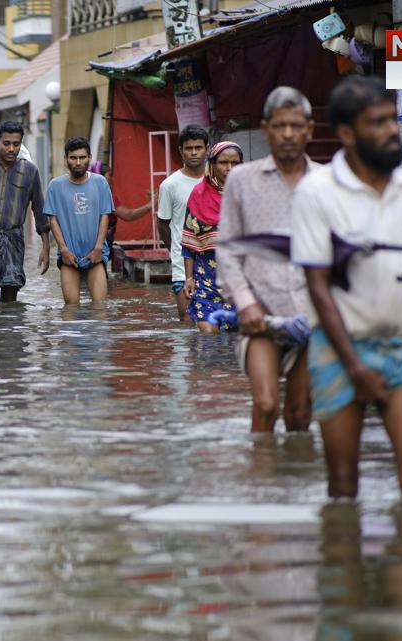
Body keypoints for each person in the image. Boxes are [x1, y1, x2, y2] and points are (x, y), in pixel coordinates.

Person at [291, 76, 402, 499]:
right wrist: (355, 366)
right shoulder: (315, 194)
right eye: (377, 122)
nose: (392, 130)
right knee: (343, 485)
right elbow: (317, 287)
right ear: (346, 134)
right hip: (338, 352)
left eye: (392, 119)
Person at [216, 86, 317, 434]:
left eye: (295, 125)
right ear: (265, 129)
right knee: (265, 404)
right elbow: (227, 248)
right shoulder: (242, 180)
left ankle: (296, 479)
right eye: (279, 126)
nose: (288, 134)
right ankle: (260, 483)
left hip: (313, 317)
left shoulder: (329, 183)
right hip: (261, 317)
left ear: (309, 129)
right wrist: (244, 303)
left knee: (301, 414)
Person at [0, 120, 49, 302]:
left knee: (9, 303)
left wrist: (45, 248)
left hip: (14, 239)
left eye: (16, 144)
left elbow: (39, 210)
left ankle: (6, 331)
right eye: (6, 144)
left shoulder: (30, 171)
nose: (11, 149)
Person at [44, 137, 115, 304]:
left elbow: (105, 215)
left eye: (82, 158)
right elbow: (52, 219)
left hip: (96, 253)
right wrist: (64, 250)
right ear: (66, 159)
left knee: (100, 308)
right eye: (73, 158)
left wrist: (98, 248)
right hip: (68, 255)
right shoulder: (55, 185)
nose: (78, 162)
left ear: (89, 157)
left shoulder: (100, 182)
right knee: (70, 308)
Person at [182, 141, 243, 333]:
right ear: (212, 164)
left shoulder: (249, 194)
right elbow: (189, 240)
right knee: (209, 335)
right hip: (207, 279)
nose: (229, 168)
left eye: (235, 163)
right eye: (224, 162)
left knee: (239, 341)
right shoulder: (199, 195)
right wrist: (189, 278)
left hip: (241, 279)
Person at [157, 125, 209, 322]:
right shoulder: (169, 185)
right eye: (189, 148)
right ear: (180, 151)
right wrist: (176, 251)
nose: (194, 152)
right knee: (188, 322)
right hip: (182, 263)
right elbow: (163, 224)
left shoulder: (216, 181)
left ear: (207, 149)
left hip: (215, 261)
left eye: (198, 147)